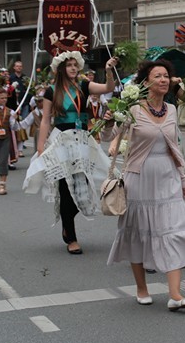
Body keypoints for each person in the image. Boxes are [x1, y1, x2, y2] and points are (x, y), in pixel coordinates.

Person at [101, 59, 185, 311]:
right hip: (139, 179)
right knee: (137, 233)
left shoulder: (171, 110)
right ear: (145, 82)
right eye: (157, 76)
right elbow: (106, 137)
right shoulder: (132, 109)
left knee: (174, 230)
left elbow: (175, 147)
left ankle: (175, 294)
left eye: (166, 76)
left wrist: (182, 178)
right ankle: (141, 288)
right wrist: (107, 120)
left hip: (167, 176)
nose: (164, 79)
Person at [23, 51, 118, 255]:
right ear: (61, 69)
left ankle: (68, 221)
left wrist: (109, 72)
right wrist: (40, 149)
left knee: (84, 183)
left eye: (76, 65)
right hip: (62, 141)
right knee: (65, 188)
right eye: (69, 65)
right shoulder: (51, 91)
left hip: (82, 140)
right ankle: (71, 236)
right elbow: (46, 120)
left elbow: (108, 88)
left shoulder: (84, 86)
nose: (74, 68)